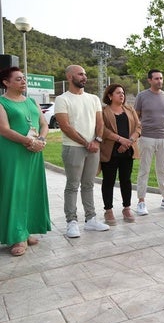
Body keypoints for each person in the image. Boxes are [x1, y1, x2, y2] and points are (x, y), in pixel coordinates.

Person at [0, 67, 51, 256]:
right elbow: (4, 129)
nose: (24, 82)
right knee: (16, 191)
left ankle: (26, 230)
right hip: (13, 153)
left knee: (31, 190)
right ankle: (16, 236)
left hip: (34, 152)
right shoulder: (2, 102)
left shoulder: (31, 101)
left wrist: (42, 140)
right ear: (6, 82)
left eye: (24, 79)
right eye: (19, 79)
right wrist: (29, 141)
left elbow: (44, 124)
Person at [55, 65, 109, 238]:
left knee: (89, 184)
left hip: (94, 147)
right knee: (72, 185)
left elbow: (100, 122)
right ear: (70, 77)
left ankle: (91, 219)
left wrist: (97, 140)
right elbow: (65, 126)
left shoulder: (93, 98)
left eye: (85, 74)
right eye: (80, 74)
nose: (84, 77)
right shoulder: (62, 99)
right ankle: (71, 222)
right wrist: (87, 143)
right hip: (73, 148)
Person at [134, 69, 164, 215]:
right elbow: (136, 116)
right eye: (156, 78)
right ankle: (141, 202)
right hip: (147, 138)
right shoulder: (142, 96)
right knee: (144, 169)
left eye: (161, 78)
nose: (160, 81)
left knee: (162, 170)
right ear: (149, 80)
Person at [99, 84, 141, 225]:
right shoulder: (104, 111)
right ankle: (108, 210)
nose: (122, 95)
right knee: (108, 181)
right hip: (110, 152)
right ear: (110, 96)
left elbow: (138, 127)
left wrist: (129, 141)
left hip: (127, 151)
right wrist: (119, 139)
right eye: (118, 93)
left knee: (126, 180)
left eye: (123, 93)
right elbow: (102, 129)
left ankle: (126, 208)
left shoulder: (129, 109)